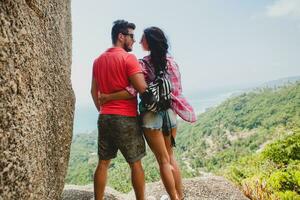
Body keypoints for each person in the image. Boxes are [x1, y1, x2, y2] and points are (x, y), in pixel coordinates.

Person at [100, 27, 197, 200]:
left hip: (151, 116)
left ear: (149, 42)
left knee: (163, 161)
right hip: (170, 114)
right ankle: (180, 197)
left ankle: (173, 198)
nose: (139, 41)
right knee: (170, 157)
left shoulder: (143, 63)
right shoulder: (172, 63)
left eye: (143, 38)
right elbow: (178, 90)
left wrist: (108, 97)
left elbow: (133, 90)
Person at [91, 20, 148, 200]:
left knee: (103, 163)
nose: (134, 40)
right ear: (121, 36)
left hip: (105, 116)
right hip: (126, 118)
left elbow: (94, 91)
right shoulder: (128, 58)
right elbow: (142, 88)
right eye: (131, 36)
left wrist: (104, 108)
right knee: (135, 163)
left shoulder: (98, 60)